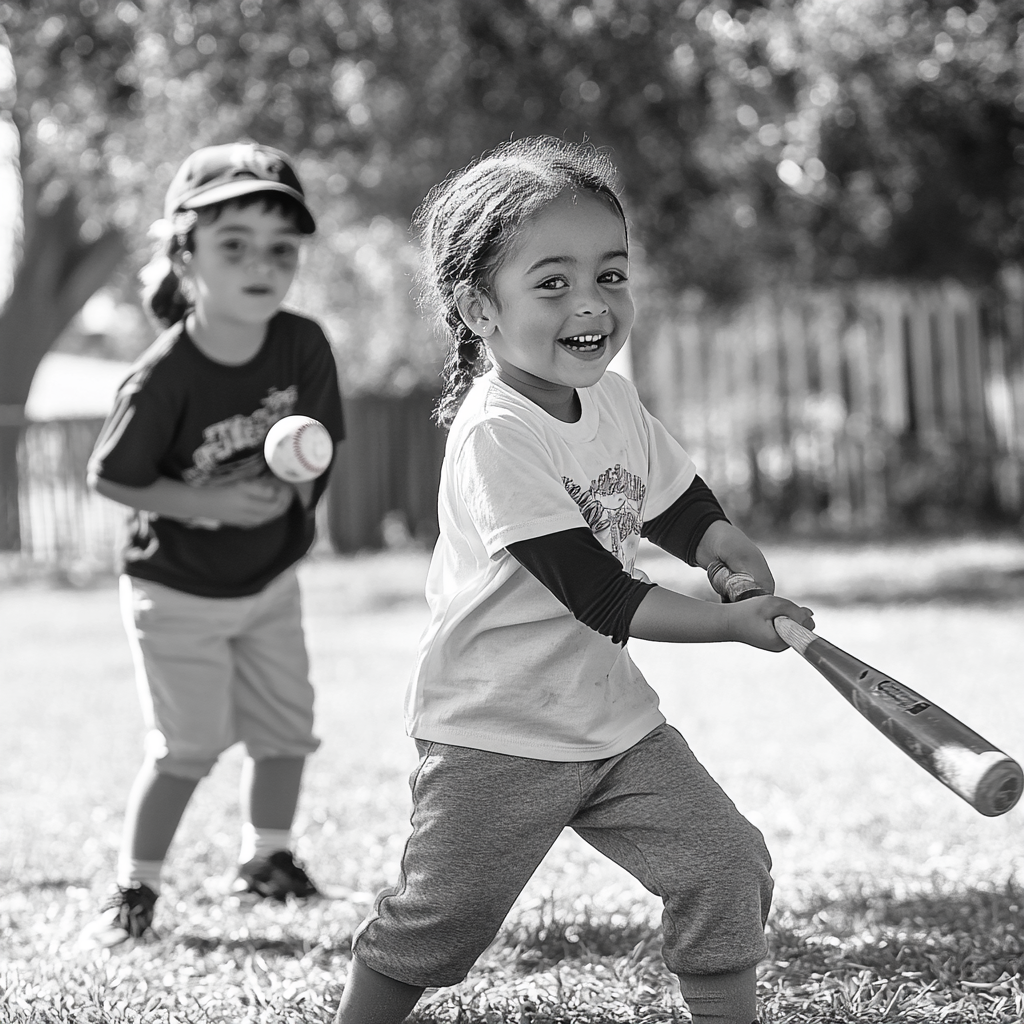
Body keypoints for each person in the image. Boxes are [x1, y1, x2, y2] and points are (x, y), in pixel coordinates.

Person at [331, 137, 814, 1024]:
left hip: (612, 723)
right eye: (551, 282)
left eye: (611, 274)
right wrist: (730, 622)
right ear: (479, 307)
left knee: (723, 864)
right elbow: (598, 593)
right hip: (497, 728)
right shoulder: (497, 434)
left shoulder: (612, 400)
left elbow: (668, 500)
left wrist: (718, 539)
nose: (591, 303)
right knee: (440, 924)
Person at [82, 142, 345, 947]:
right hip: (177, 588)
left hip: (268, 578)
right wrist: (212, 502)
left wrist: (292, 487)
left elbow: (321, 440)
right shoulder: (163, 376)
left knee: (287, 730)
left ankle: (267, 859)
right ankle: (134, 889)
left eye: (281, 248)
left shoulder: (302, 345)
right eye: (234, 244)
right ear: (185, 251)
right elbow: (112, 477)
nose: (261, 264)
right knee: (189, 746)